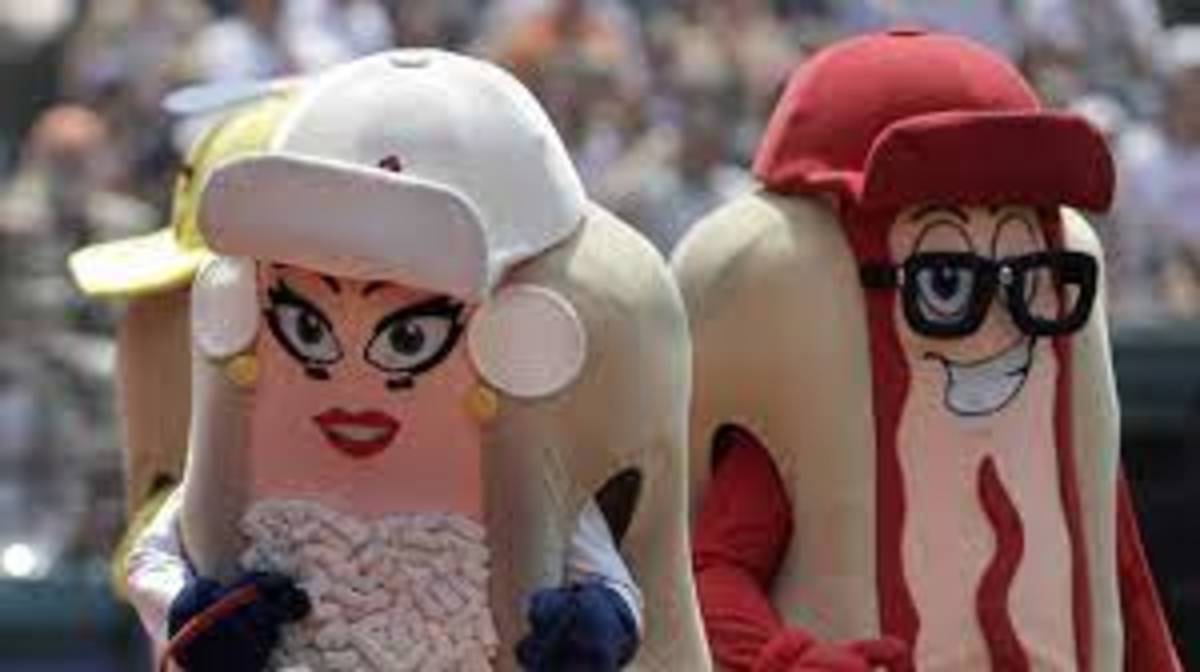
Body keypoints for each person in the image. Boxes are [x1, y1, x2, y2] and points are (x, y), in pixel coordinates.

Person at [125, 51, 709, 671]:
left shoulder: (517, 459)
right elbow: (153, 554)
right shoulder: (250, 454)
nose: (351, 377)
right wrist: (191, 612)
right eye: (308, 326)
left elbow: (603, 574)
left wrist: (598, 621)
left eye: (407, 338)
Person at [674, 29, 1179, 671]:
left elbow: (1123, 576)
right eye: (946, 281)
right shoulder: (817, 412)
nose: (997, 322)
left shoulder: (1056, 407)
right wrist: (794, 660)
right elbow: (708, 571)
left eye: (1027, 278)